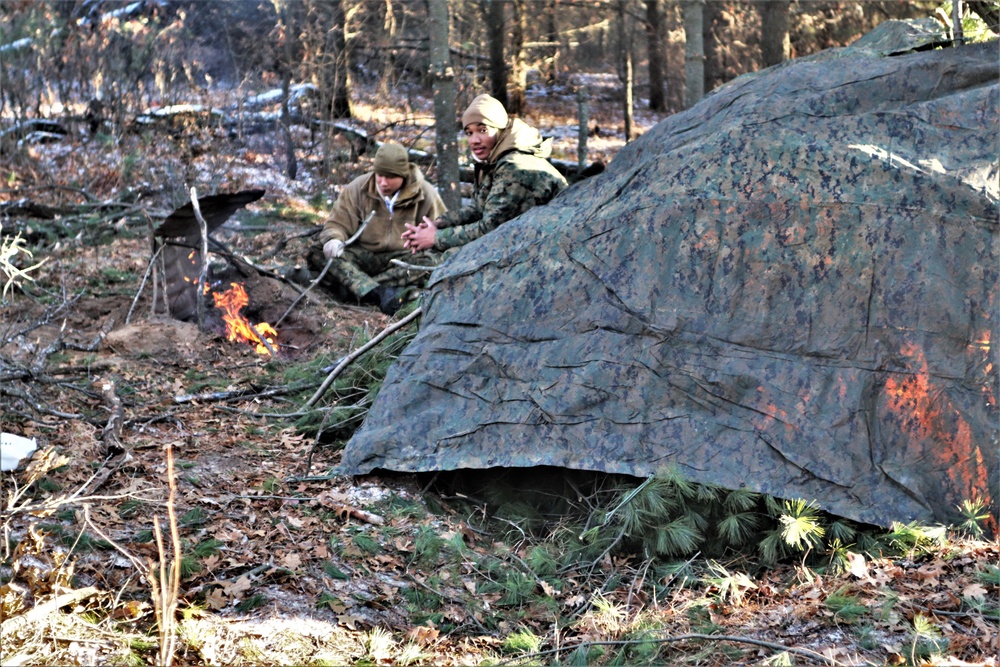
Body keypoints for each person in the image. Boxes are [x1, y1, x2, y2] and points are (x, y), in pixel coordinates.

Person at [402, 93, 567, 254]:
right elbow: (477, 209)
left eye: (483, 130)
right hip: (529, 243)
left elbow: (491, 229)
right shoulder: (496, 160)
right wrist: (439, 224)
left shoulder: (516, 167)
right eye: (469, 132)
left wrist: (436, 238)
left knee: (450, 258)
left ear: (501, 130)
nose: (474, 140)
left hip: (554, 249)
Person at [308, 142, 447, 314]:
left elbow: (442, 232)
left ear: (403, 175)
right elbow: (337, 224)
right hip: (363, 255)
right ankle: (378, 292)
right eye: (379, 175)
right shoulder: (358, 188)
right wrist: (334, 239)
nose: (382, 182)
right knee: (318, 250)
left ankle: (356, 287)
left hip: (403, 258)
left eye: (390, 177)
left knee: (434, 261)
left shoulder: (425, 193)